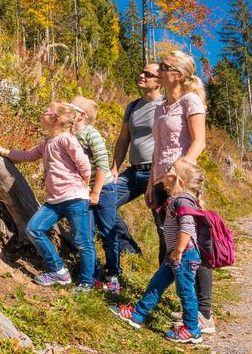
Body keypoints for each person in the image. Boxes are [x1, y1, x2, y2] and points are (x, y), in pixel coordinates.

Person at [0, 100, 95, 291]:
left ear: (56, 119)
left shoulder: (66, 140)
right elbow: (27, 156)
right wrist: (3, 151)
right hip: (54, 201)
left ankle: (87, 282)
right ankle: (59, 271)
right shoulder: (47, 143)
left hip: (74, 198)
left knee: (83, 240)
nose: (43, 112)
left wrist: (85, 186)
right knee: (34, 229)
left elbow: (85, 165)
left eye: (47, 111)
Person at [147, 50, 215, 334]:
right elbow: (158, 149)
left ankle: (205, 314)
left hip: (182, 183)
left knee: (192, 246)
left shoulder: (191, 100)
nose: (158, 70)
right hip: (162, 183)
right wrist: (152, 183)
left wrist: (181, 171)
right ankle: (187, 307)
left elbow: (198, 142)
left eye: (163, 66)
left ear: (178, 75)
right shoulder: (161, 105)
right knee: (170, 244)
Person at [110, 158, 206, 344]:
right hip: (175, 255)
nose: (166, 170)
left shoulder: (183, 200)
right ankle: (138, 314)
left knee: (186, 292)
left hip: (183, 255)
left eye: (171, 169)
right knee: (157, 284)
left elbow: (187, 228)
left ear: (180, 180)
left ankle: (193, 329)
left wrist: (178, 251)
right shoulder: (176, 199)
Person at [110, 63, 163, 255]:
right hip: (133, 172)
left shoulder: (165, 105)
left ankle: (167, 272)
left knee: (162, 226)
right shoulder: (132, 106)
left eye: (148, 74)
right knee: (104, 201)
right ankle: (130, 250)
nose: (142, 75)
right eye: (141, 71)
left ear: (159, 82)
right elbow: (123, 140)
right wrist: (114, 168)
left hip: (157, 173)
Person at [71, 96, 120, 294]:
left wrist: (96, 192)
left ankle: (113, 274)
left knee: (108, 233)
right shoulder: (69, 135)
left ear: (82, 115)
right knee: (85, 235)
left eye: (70, 108)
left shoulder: (91, 134)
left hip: (103, 190)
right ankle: (92, 275)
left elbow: (101, 164)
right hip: (83, 192)